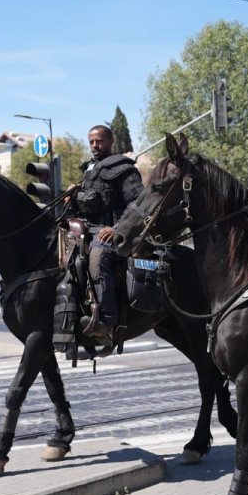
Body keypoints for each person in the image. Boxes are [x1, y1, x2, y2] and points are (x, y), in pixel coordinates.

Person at [68, 124, 143, 346]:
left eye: (99, 140)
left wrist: (118, 228)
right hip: (87, 231)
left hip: (114, 235)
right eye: (91, 141)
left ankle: (106, 322)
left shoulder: (124, 169)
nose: (94, 145)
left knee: (98, 256)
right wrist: (72, 198)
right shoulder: (89, 171)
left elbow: (139, 203)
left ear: (111, 142)